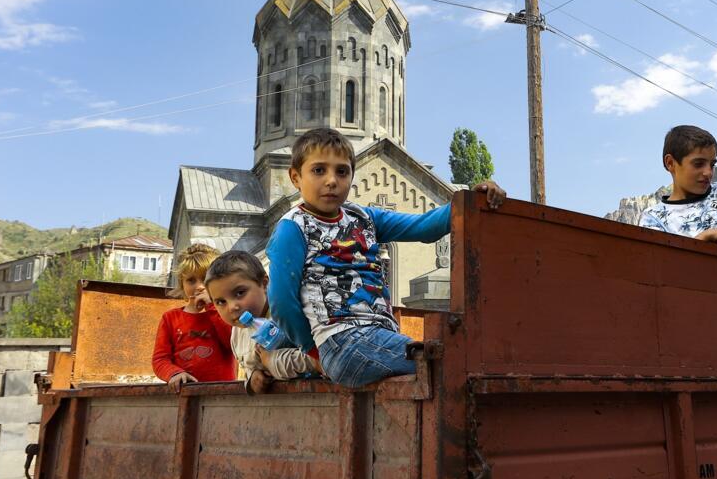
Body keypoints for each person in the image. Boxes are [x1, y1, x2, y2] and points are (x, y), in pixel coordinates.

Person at [267, 127, 506, 388]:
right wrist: (313, 349)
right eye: (318, 170)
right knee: (447, 361)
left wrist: (468, 200)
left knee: (448, 359)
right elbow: (281, 301)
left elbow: (423, 227)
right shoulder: (294, 226)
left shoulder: (363, 217)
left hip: (375, 337)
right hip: (343, 341)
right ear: (295, 177)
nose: (331, 180)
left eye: (342, 171)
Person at [639, 125, 717, 261]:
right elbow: (660, 267)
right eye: (698, 164)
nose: (708, 172)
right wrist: (707, 236)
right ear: (671, 163)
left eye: (712, 164)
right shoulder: (653, 217)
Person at [205, 250, 323, 394]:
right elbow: (248, 365)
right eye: (221, 302)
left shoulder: (289, 314)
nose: (232, 307)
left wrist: (271, 362)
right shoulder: (237, 332)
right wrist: (252, 377)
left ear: (264, 284)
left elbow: (317, 359)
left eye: (240, 293)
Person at [152, 243, 236, 392]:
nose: (199, 286)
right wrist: (174, 373)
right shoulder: (170, 318)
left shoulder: (226, 313)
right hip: (185, 394)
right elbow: (160, 359)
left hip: (222, 394)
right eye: (191, 280)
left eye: (205, 279)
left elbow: (233, 345)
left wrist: (212, 307)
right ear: (182, 284)